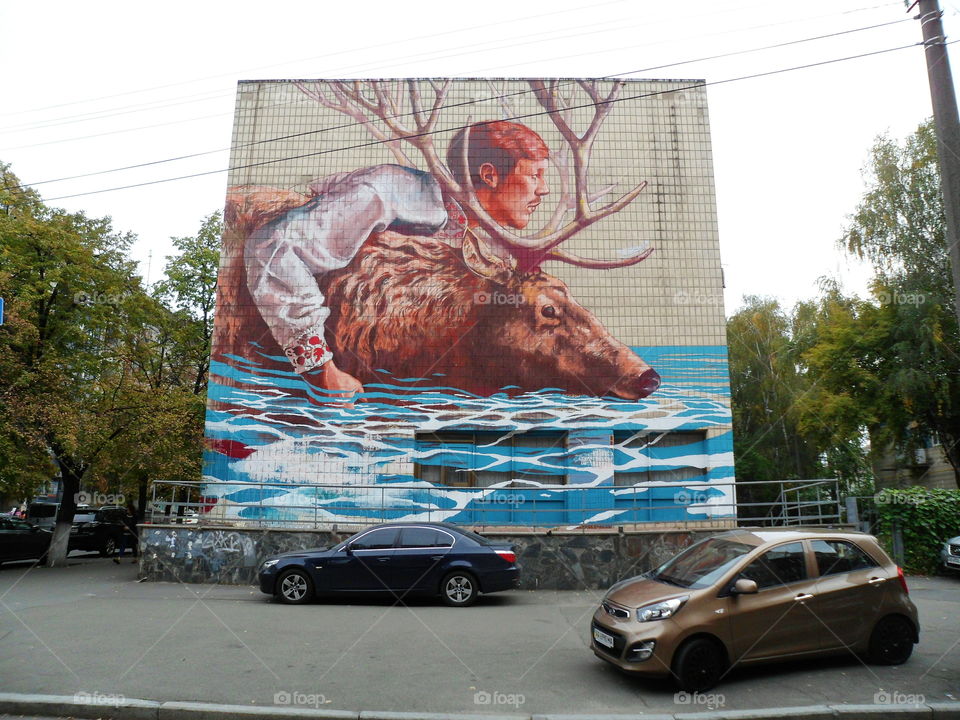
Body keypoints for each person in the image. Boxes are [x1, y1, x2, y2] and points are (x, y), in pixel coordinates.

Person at [244, 120, 550, 403]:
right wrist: (320, 370)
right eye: (535, 175)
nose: (544, 189)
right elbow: (272, 248)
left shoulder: (470, 238)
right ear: (489, 175)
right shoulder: (385, 192)